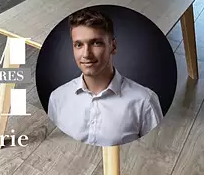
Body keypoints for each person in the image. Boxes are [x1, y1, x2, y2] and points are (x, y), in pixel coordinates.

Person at [46, 8, 163, 147]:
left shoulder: (145, 101)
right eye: (79, 45)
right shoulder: (57, 98)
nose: (86, 54)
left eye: (96, 43)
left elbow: (155, 151)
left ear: (113, 46)